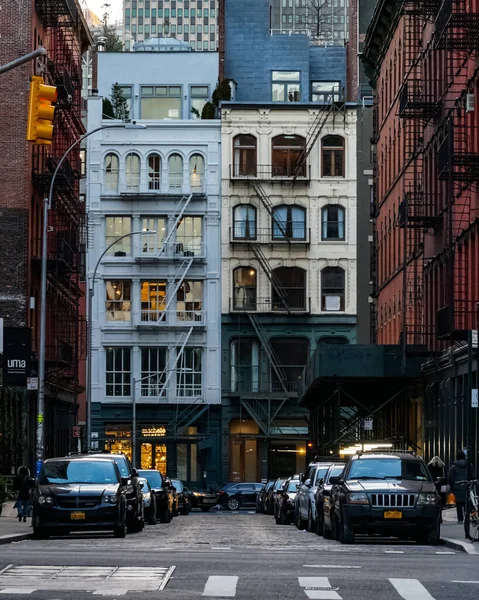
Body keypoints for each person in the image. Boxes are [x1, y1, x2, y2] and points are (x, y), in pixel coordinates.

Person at [448, 451, 470, 523]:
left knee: (459, 504)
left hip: (457, 487)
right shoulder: (469, 465)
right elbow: (472, 475)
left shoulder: (453, 467)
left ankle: (460, 519)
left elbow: (450, 478)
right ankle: (467, 518)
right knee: (466, 504)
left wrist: (451, 487)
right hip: (466, 486)